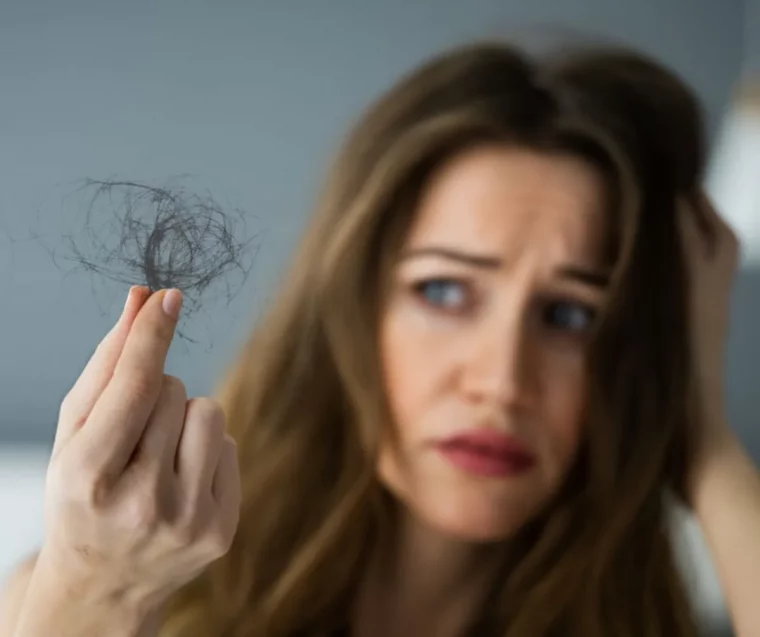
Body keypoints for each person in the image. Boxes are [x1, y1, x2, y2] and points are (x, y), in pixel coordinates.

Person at [2, 39, 759, 637]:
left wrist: (702, 434)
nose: (500, 380)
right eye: (444, 290)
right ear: (349, 310)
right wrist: (101, 594)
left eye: (572, 316)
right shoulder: (71, 597)